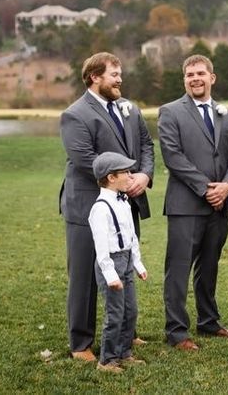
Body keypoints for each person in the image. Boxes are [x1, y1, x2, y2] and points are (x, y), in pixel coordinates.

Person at [59, 52, 154, 361]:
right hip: (88, 207)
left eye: (120, 73)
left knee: (124, 269)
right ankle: (81, 343)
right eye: (114, 74)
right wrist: (125, 180)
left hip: (127, 204)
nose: (120, 79)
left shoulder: (130, 109)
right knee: (85, 277)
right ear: (94, 77)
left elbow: (146, 145)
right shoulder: (75, 115)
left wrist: (144, 175)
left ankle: (126, 334)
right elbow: (85, 159)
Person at [158, 55, 228, 351]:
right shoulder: (170, 112)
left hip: (220, 205)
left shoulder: (226, 114)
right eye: (189, 74)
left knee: (209, 266)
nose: (195, 78)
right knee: (178, 269)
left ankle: (208, 321)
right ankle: (177, 331)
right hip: (186, 205)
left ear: (212, 78)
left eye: (200, 73)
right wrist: (207, 189)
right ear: (184, 79)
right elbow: (172, 156)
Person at [89, 152, 148, 373]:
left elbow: (131, 236)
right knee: (115, 314)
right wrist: (110, 275)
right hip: (111, 264)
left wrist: (138, 264)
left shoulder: (124, 202)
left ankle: (124, 352)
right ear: (111, 177)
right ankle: (107, 360)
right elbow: (101, 247)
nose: (131, 176)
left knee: (130, 311)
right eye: (126, 172)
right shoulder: (100, 208)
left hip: (126, 259)